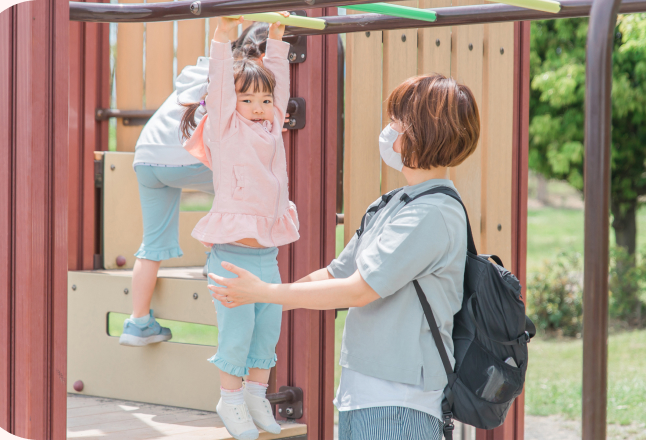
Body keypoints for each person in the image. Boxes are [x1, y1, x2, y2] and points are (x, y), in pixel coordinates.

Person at [206, 74, 481, 440]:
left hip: (400, 404)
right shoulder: (394, 203)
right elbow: (335, 274)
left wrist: (264, 294)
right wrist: (251, 302)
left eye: (397, 122)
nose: (389, 131)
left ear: (421, 133)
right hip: (361, 395)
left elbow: (357, 291)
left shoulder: (430, 214)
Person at [119, 21, 279, 348]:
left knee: (152, 244)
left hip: (147, 156)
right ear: (262, 56)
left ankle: (137, 323)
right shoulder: (240, 80)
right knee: (239, 184)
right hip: (186, 155)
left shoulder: (206, 67)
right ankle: (214, 261)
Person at [181, 14, 298, 440]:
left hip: (266, 255)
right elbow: (220, 84)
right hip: (231, 255)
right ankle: (229, 399)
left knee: (267, 331)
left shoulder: (271, 127)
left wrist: (278, 41)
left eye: (264, 101)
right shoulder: (227, 128)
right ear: (232, 103)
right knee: (238, 333)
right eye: (248, 100)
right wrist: (222, 35)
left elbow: (278, 86)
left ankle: (254, 396)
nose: (259, 107)